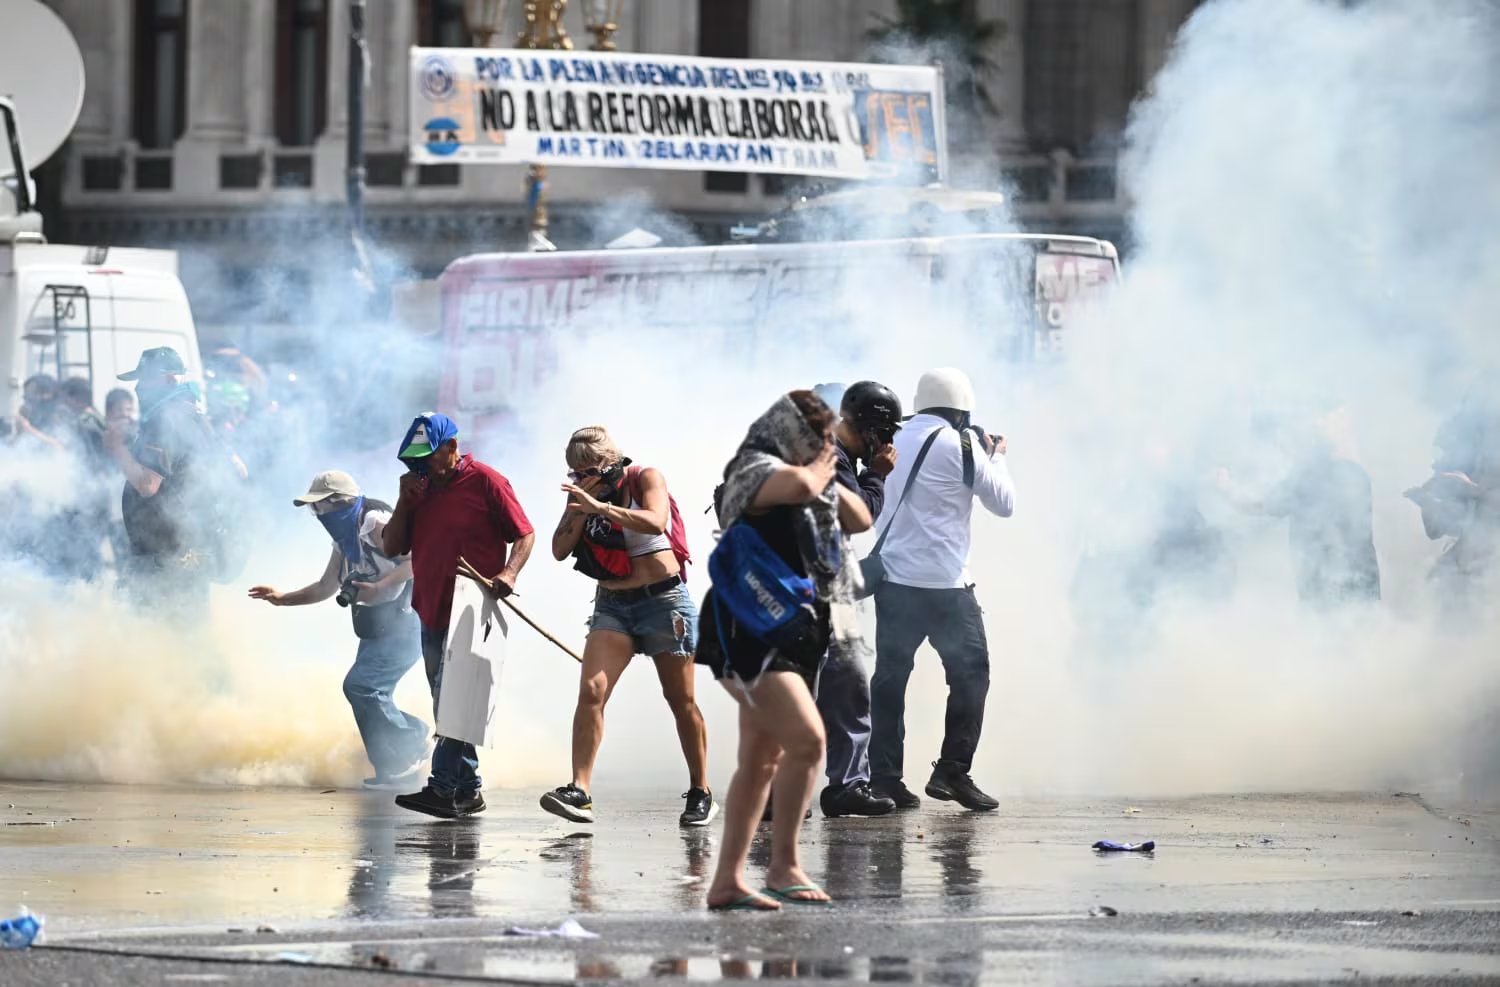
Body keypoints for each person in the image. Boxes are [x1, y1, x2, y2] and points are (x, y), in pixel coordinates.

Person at [698, 390, 873, 910]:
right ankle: (783, 866)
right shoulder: (755, 467)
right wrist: (820, 468)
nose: (824, 446)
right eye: (815, 437)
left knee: (761, 759)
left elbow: (860, 518)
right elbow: (797, 485)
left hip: (794, 631)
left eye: (827, 439)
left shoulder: (816, 481)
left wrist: (830, 472)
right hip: (749, 627)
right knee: (808, 741)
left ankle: (727, 881)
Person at [541, 425, 714, 827]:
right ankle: (579, 790)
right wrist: (579, 510)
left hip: (663, 602)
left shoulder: (645, 477)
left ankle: (701, 790)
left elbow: (655, 521)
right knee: (592, 691)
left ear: (611, 464)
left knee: (681, 699)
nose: (581, 479)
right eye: (575, 472)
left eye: (588, 471)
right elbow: (558, 549)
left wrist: (600, 509)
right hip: (613, 605)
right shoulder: (582, 495)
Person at [868, 367, 1014, 813]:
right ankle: (952, 770)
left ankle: (885, 779)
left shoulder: (890, 440)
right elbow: (1004, 504)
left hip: (895, 582)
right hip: (948, 587)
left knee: (890, 682)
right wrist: (997, 457)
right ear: (961, 409)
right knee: (971, 676)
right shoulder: (962, 445)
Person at [382, 412, 536, 819]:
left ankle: (442, 787)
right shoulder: (419, 490)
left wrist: (509, 572)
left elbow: (525, 533)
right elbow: (391, 547)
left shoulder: (486, 481)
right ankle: (468, 789)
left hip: (471, 611)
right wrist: (404, 501)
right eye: (415, 462)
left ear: (451, 446)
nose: (423, 468)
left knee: (452, 699)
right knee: (448, 701)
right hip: (431, 609)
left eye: (428, 458)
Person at [249, 470, 430, 790]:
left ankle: (412, 743)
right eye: (313, 508)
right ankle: (393, 766)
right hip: (377, 626)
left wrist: (381, 586)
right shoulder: (344, 537)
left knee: (362, 686)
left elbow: (418, 560)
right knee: (365, 692)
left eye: (320, 506)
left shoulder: (373, 522)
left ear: (340, 502)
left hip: (404, 622)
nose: (317, 514)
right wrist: (282, 599)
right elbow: (326, 586)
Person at [104, 346, 245, 614]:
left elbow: (147, 484)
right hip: (189, 550)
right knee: (188, 630)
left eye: (147, 378)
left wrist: (117, 450)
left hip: (166, 555)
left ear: (169, 378)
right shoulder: (194, 414)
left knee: (158, 629)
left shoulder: (164, 420)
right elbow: (238, 468)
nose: (139, 386)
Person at [818, 381, 903, 818]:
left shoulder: (830, 454)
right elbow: (860, 517)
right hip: (813, 592)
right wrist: (878, 475)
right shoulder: (831, 459)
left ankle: (845, 786)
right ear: (869, 428)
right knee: (825, 688)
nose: (887, 443)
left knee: (844, 686)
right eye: (884, 432)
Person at [1218, 408, 1380, 609]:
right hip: (1365, 591)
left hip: (1327, 595)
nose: (1281, 447)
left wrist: (1226, 488)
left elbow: (1258, 504)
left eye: (1281, 440)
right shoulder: (1356, 473)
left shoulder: (1307, 476)